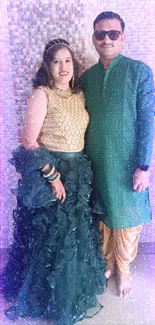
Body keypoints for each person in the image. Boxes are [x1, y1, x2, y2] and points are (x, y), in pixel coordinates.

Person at [0, 38, 107, 324]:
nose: (63, 66)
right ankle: (46, 298)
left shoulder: (80, 95)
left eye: (68, 60)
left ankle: (69, 291)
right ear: (48, 66)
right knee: (51, 239)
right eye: (56, 61)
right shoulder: (42, 93)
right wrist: (53, 177)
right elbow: (28, 141)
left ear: (74, 65)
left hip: (80, 173)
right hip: (53, 174)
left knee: (75, 237)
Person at [81, 11, 155, 298]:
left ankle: (123, 270)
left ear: (123, 37)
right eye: (101, 34)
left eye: (113, 33)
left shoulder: (139, 72)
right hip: (97, 163)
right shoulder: (87, 77)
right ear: (94, 39)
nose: (107, 39)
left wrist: (144, 165)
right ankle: (108, 262)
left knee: (127, 219)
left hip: (128, 164)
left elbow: (148, 121)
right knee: (104, 217)